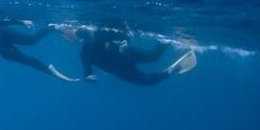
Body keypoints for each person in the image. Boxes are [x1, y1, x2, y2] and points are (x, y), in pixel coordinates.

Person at [66, 24, 197, 85]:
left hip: (125, 55)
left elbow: (123, 34)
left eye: (88, 33)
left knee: (154, 56)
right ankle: (173, 70)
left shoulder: (101, 33)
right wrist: (89, 78)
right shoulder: (85, 52)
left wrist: (125, 43)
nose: (89, 35)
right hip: (120, 70)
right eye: (86, 36)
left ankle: (171, 37)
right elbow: (87, 71)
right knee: (148, 82)